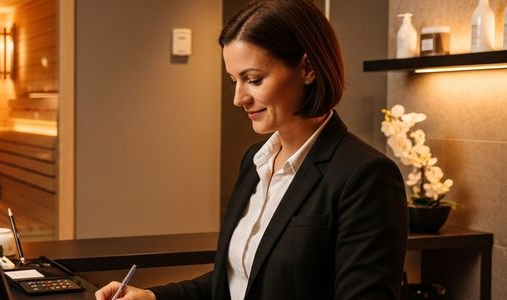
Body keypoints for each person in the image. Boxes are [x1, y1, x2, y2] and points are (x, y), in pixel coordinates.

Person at [94, 0, 408, 299]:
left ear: (308, 68)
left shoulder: (365, 176)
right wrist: (152, 296)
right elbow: (238, 280)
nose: (238, 98)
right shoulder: (255, 161)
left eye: (254, 80)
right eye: (234, 80)